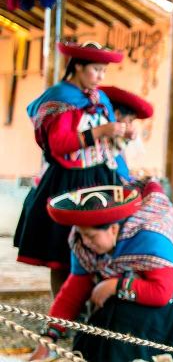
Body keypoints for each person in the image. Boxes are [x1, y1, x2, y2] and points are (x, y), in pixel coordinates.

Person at [30, 182, 173, 362]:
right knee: (107, 321)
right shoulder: (82, 244)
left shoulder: (149, 236)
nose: (85, 242)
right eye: (81, 235)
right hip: (128, 296)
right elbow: (73, 290)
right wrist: (50, 336)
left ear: (113, 229)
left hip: (172, 300)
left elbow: (161, 292)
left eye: (91, 236)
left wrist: (114, 286)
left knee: (124, 319)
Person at [15, 42, 129, 295]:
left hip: (100, 176)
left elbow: (109, 136)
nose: (100, 76)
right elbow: (59, 143)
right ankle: (62, 311)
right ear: (78, 66)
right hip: (68, 179)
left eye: (103, 71)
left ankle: (93, 307)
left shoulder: (99, 98)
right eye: (96, 70)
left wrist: (120, 133)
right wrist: (101, 131)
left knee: (102, 243)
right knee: (62, 249)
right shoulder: (61, 98)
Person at [99, 85, 155, 183]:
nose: (131, 125)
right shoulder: (103, 135)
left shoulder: (119, 141)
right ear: (117, 115)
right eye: (130, 120)